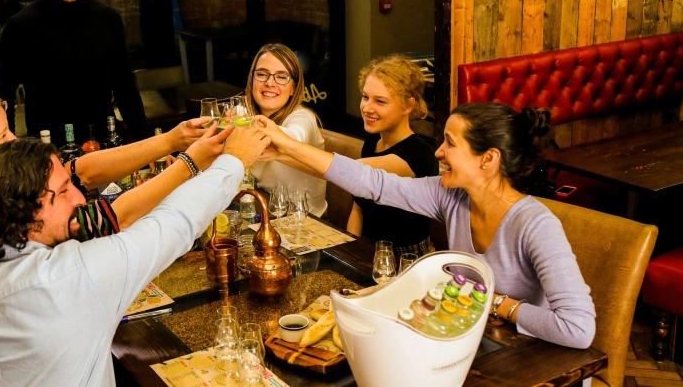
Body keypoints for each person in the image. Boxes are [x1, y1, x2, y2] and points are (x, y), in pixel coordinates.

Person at [0, 84, 211, 378]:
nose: (14, 141)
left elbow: (79, 171)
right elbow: (111, 218)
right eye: (3, 136)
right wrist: (190, 165)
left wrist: (171, 140)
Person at [0, 127, 270, 386]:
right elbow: (174, 222)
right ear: (27, 215)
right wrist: (234, 161)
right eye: (64, 191)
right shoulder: (76, 277)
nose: (79, 199)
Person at [255, 102, 596, 348]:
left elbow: (577, 329)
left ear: (488, 159)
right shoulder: (452, 197)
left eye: (451, 143)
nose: (438, 152)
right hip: (477, 343)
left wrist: (492, 303)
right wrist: (285, 148)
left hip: (535, 359)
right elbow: (374, 183)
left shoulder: (536, 225)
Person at [0, 0, 148, 143]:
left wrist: (150, 146)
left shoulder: (107, 19)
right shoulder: (19, 27)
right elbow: (3, 99)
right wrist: (10, 153)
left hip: (104, 149)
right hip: (48, 154)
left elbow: (126, 89)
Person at [348, 56, 438, 256]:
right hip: (369, 250)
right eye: (365, 97)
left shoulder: (419, 155)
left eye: (380, 101)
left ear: (408, 106)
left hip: (408, 260)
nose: (367, 108)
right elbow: (358, 209)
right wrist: (351, 252)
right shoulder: (372, 142)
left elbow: (349, 171)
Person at [246, 43, 327, 217]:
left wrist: (243, 127)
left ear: (294, 88)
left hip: (308, 222)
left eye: (282, 77)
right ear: (252, 80)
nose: (269, 83)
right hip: (265, 214)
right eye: (261, 74)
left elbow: (295, 137)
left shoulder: (303, 117)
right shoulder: (245, 117)